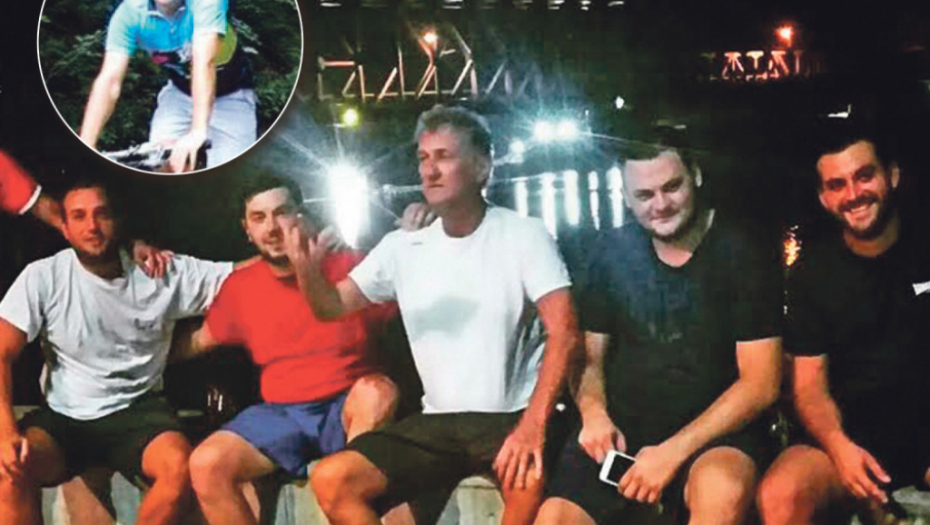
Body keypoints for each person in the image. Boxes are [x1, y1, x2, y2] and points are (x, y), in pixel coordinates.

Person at [289, 105, 579, 525]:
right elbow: (331, 306)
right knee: (332, 479)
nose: (429, 170)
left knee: (527, 485)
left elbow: (564, 332)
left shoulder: (523, 234)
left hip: (510, 417)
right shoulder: (403, 247)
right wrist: (306, 269)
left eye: (444, 156)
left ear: (482, 168)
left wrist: (534, 425)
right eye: (424, 158)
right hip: (437, 423)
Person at [535, 127, 783, 525]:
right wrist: (594, 412)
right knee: (554, 518)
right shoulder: (609, 252)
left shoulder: (742, 252)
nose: (661, 205)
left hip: (716, 434)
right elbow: (589, 358)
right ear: (626, 197)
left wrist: (672, 453)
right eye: (644, 195)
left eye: (672, 187)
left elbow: (761, 383)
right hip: (623, 431)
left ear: (695, 175)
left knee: (721, 490)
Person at [0, 179, 233, 525]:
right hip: (66, 415)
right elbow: (2, 352)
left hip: (139, 411)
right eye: (79, 216)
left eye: (101, 214)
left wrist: (300, 254)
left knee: (180, 468)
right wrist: (6, 433)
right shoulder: (43, 276)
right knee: (9, 467)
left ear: (118, 220)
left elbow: (241, 277)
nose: (92, 226)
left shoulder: (158, 270)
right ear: (65, 227)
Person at [178, 174, 400, 525]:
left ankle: (350, 485)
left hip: (346, 406)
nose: (272, 228)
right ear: (247, 229)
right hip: (282, 413)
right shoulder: (240, 287)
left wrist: (420, 235)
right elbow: (198, 341)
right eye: (259, 217)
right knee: (206, 463)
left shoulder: (352, 266)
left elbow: (417, 304)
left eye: (282, 212)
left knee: (378, 392)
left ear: (301, 215)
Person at [757, 122, 930, 525]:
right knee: (781, 495)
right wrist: (841, 449)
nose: (853, 194)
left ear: (892, 175)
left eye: (864, 176)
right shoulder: (811, 273)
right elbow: (809, 388)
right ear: (823, 198)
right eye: (837, 185)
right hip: (847, 440)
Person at [80, 0, 256, 172]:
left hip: (232, 96)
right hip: (179, 94)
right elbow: (110, 80)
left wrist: (197, 132)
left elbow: (204, 63)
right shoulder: (130, 12)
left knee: (233, 174)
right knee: (159, 163)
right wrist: (86, 146)